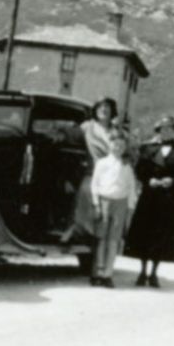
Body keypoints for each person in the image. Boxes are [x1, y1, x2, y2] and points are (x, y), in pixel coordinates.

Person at [124, 115, 174, 288]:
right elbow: (140, 169)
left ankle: (154, 273)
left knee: (161, 236)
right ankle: (142, 271)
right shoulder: (146, 149)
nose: (166, 131)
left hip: (169, 199)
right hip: (149, 197)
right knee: (145, 234)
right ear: (158, 130)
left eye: (170, 128)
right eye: (163, 128)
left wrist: (173, 181)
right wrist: (148, 180)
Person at [61, 97, 118, 243]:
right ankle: (74, 232)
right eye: (100, 107)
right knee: (85, 194)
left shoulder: (117, 131)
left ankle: (99, 240)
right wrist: (59, 132)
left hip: (112, 174)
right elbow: (70, 135)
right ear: (95, 110)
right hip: (93, 171)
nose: (104, 110)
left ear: (112, 111)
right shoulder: (88, 126)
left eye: (107, 107)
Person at [88, 129, 136, 288]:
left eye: (121, 145)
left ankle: (108, 273)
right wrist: (96, 204)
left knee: (113, 240)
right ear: (109, 145)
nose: (118, 148)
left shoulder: (127, 166)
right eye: (115, 144)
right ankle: (98, 272)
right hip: (104, 202)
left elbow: (131, 188)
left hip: (120, 203)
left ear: (125, 147)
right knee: (101, 238)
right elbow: (95, 184)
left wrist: (129, 209)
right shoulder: (102, 163)